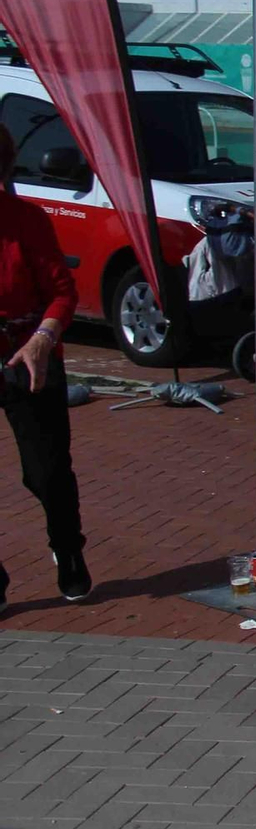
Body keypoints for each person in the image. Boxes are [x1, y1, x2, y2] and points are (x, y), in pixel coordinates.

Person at [0, 126, 87, 609]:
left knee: (47, 471)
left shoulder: (27, 220)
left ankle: (68, 547)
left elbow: (62, 291)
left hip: (29, 351)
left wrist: (43, 338)